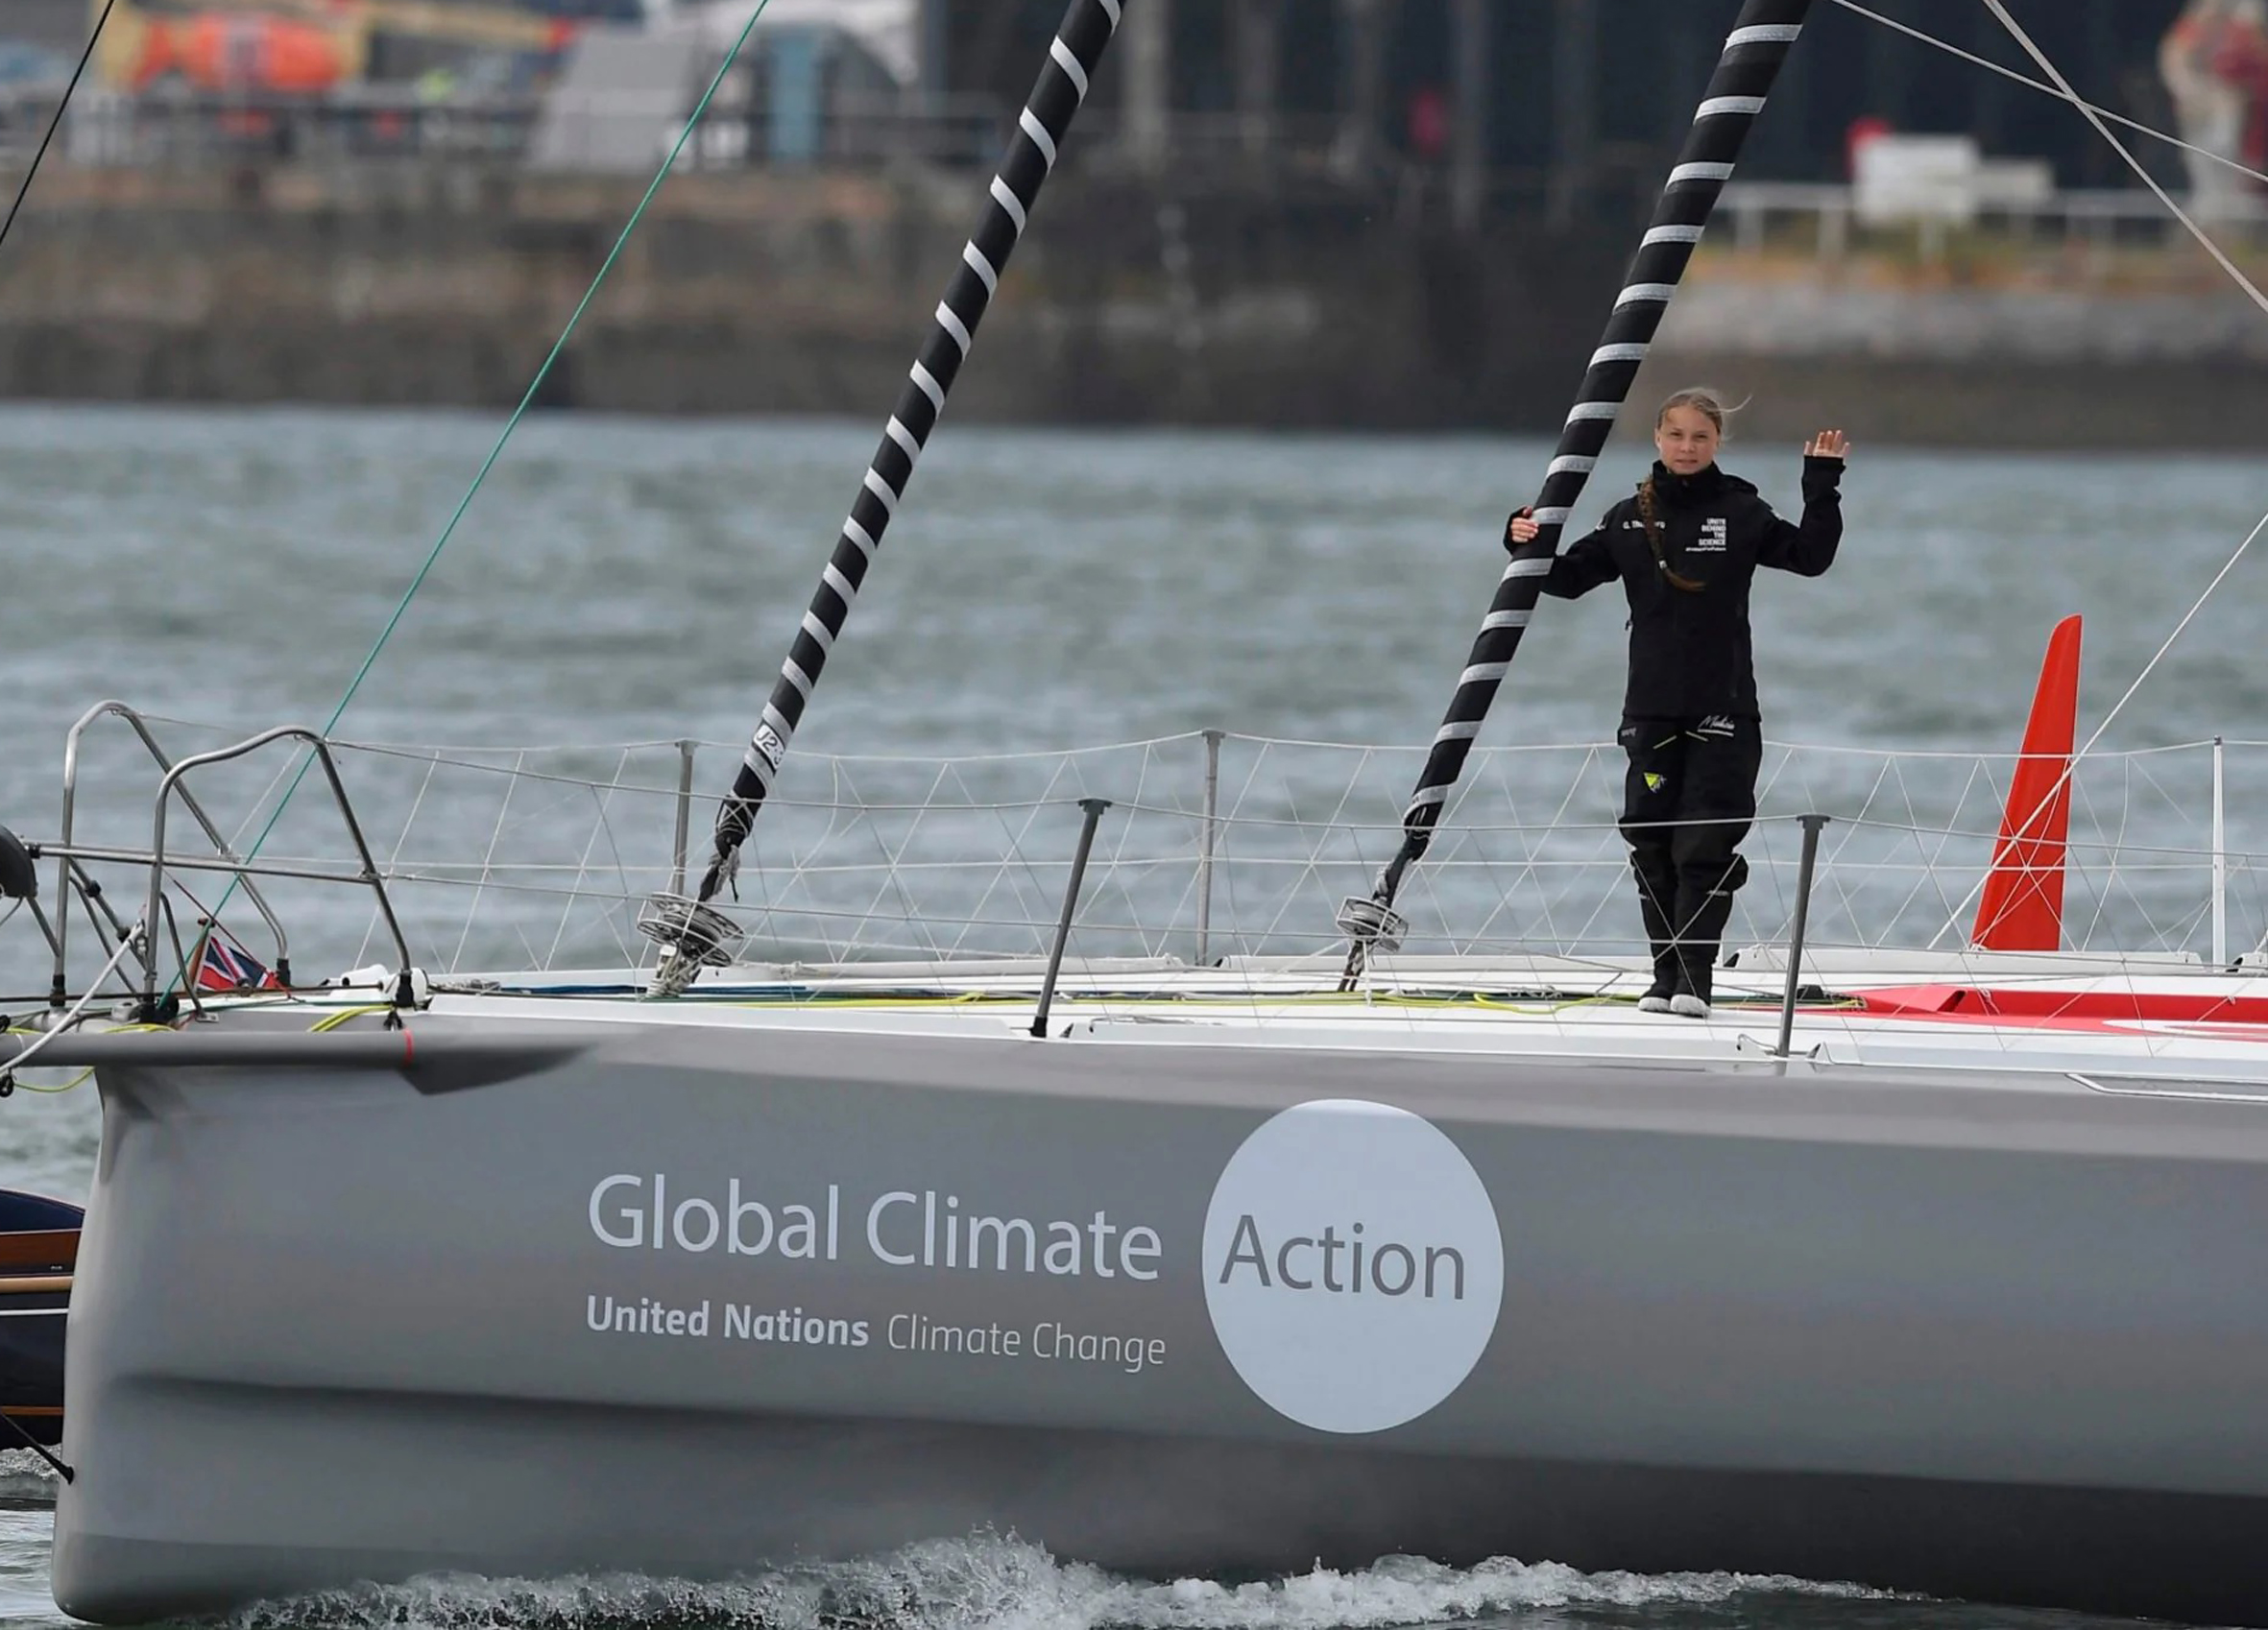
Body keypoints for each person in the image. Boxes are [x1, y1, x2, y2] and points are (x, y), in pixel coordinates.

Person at [1508, 389, 1846, 1018]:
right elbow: (1565, 579)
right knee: (1652, 843)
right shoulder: (1626, 519)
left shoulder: (1741, 511)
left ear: (1717, 443)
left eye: (1700, 437)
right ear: (1658, 440)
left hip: (1725, 710)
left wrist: (1821, 484)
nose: (1687, 448)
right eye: (1676, 436)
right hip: (1651, 714)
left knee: (1704, 847)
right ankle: (1664, 979)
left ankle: (1696, 980)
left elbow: (1810, 558)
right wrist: (1520, 537)